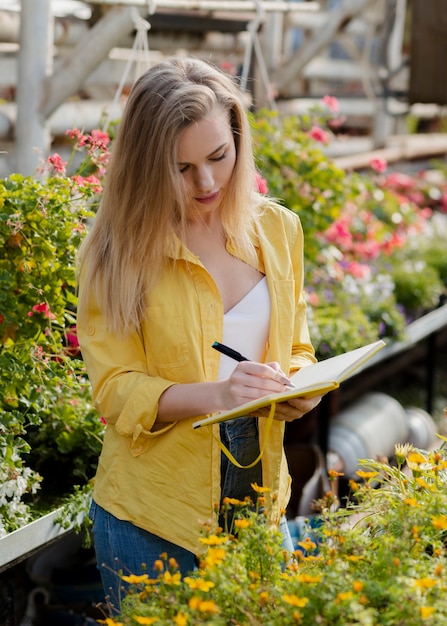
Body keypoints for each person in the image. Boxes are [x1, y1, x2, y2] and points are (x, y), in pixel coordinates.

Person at [76, 56, 321, 612]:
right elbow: (115, 389)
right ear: (145, 165)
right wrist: (220, 394)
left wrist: (298, 385)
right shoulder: (114, 253)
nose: (207, 182)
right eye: (181, 169)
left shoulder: (277, 230)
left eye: (218, 156)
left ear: (238, 138)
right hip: (153, 519)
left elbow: (297, 345)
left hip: (260, 503)